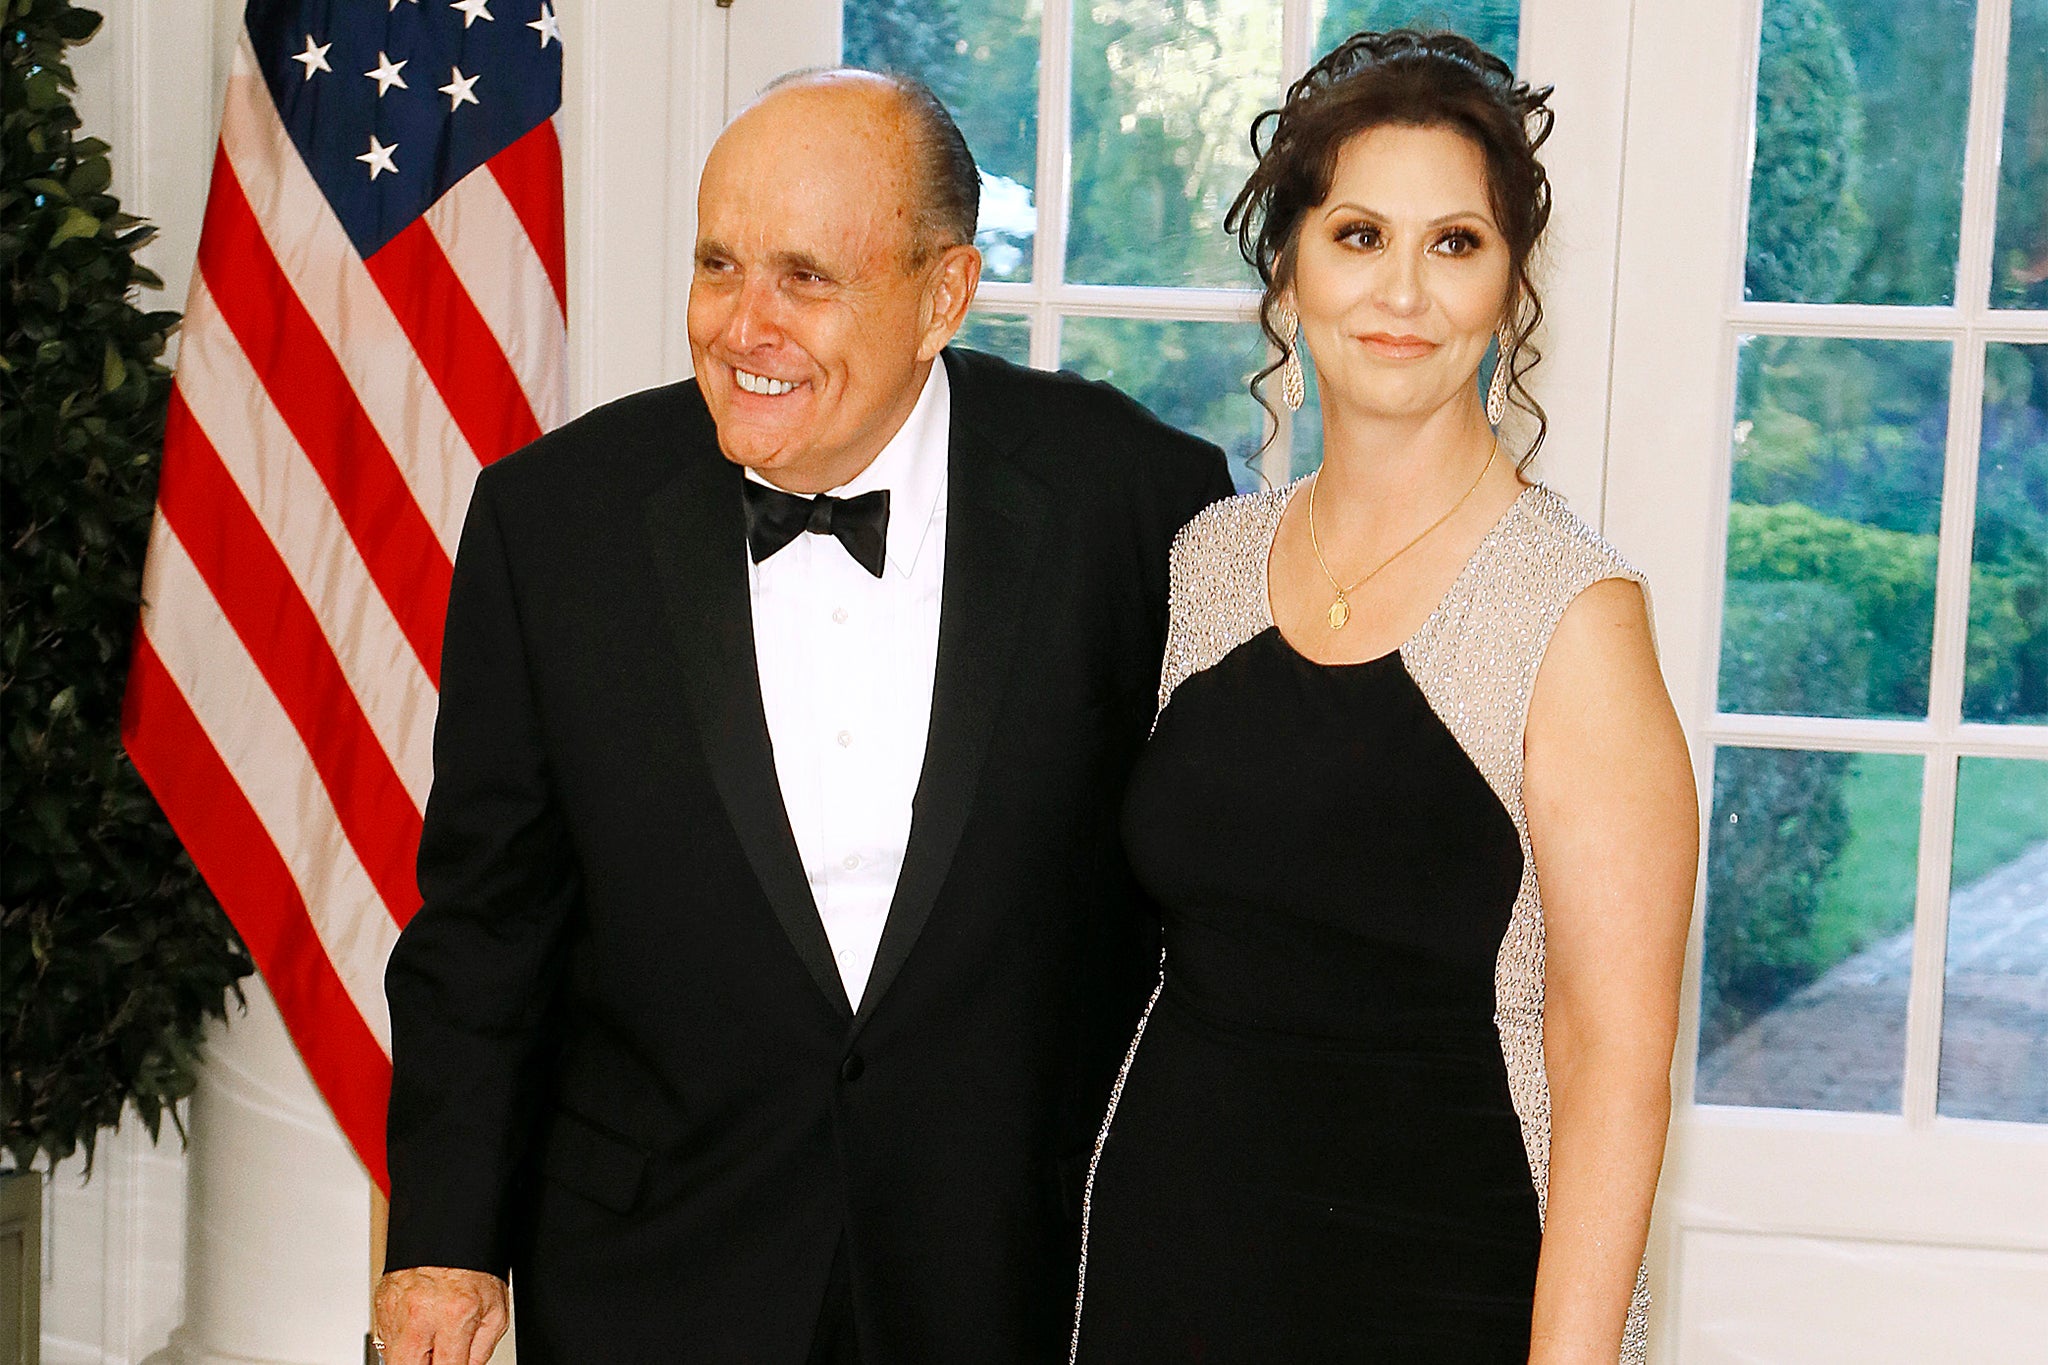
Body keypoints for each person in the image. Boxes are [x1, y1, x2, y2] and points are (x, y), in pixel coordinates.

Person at [372, 70, 1232, 1364]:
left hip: (1008, 1272)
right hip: (650, 1266)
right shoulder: (554, 524)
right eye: (718, 265)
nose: (742, 325)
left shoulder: (1135, 501)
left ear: (944, 294)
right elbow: (487, 920)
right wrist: (441, 1239)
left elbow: (1201, 903)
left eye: (806, 278)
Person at [1070, 31, 1697, 1365]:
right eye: (1360, 234)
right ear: (1289, 265)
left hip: (1445, 1284)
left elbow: (1615, 1072)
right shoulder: (1213, 564)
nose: (1402, 289)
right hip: (1172, 1262)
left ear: (1509, 280)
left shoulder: (1574, 617)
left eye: (1454, 243)